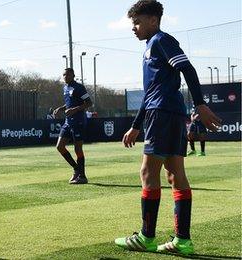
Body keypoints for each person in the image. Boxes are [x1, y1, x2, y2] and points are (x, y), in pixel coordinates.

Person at [115, 0, 221, 255]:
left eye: (137, 22)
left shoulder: (162, 40)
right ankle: (182, 240)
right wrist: (136, 126)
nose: (134, 28)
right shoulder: (150, 47)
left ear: (153, 20)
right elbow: (151, 91)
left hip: (162, 114)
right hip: (168, 113)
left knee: (147, 172)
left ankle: (146, 237)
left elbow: (187, 68)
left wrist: (200, 103)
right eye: (133, 23)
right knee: (175, 174)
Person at [52, 68, 92, 184]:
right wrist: (61, 108)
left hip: (78, 121)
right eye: (63, 74)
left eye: (67, 74)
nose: (65, 76)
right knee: (59, 146)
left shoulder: (79, 87)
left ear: (73, 75)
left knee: (77, 148)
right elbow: (70, 103)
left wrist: (75, 110)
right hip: (67, 122)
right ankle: (76, 169)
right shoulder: (65, 88)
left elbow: (89, 103)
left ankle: (82, 176)